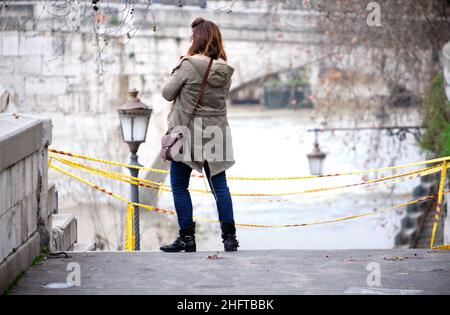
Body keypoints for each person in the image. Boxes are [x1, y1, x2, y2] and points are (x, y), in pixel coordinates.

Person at [160, 17, 239, 253]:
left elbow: (167, 93)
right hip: (217, 132)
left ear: (197, 39)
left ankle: (187, 238)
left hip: (187, 133)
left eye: (192, 36)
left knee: (179, 186)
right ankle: (230, 238)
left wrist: (180, 67)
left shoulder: (188, 65)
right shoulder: (225, 70)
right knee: (220, 187)